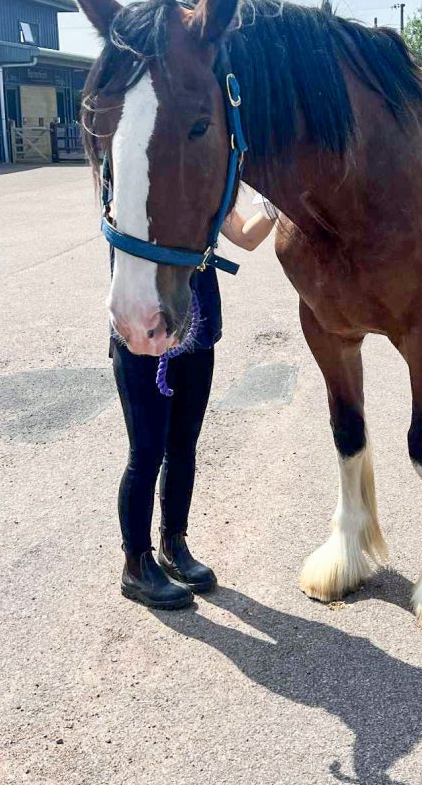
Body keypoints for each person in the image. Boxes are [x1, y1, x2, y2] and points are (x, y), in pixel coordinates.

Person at [114, 205, 276, 609]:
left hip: (196, 334)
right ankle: (136, 566)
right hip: (144, 333)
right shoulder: (137, 182)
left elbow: (247, 236)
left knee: (183, 448)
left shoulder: (203, 183)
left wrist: (278, 200)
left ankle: (174, 544)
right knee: (146, 453)